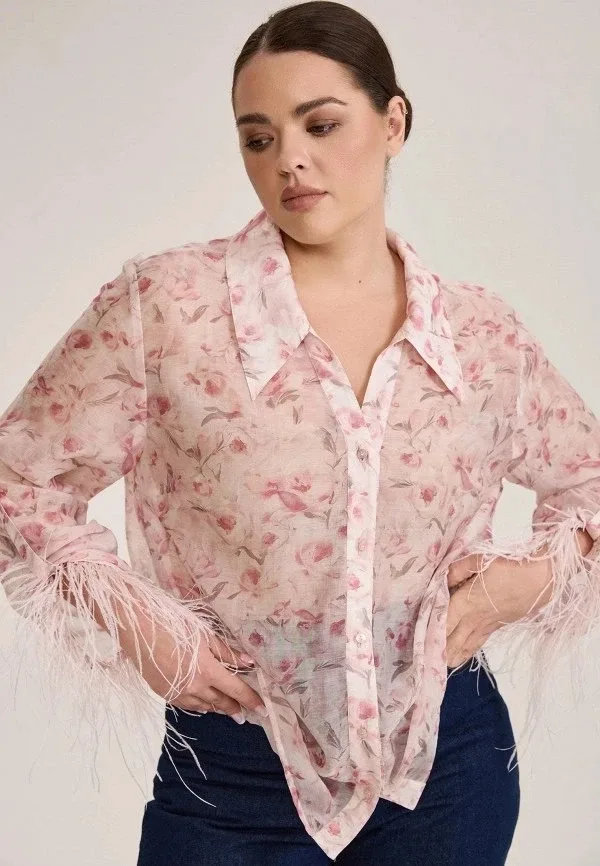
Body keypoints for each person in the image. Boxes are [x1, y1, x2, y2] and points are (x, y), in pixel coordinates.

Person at [1, 2, 599, 863]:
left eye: (320, 125)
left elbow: (590, 484)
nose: (288, 160)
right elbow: (18, 479)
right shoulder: (166, 307)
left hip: (447, 774)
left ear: (393, 124)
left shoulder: (480, 335)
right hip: (229, 776)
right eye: (259, 138)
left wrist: (519, 586)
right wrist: (140, 624)